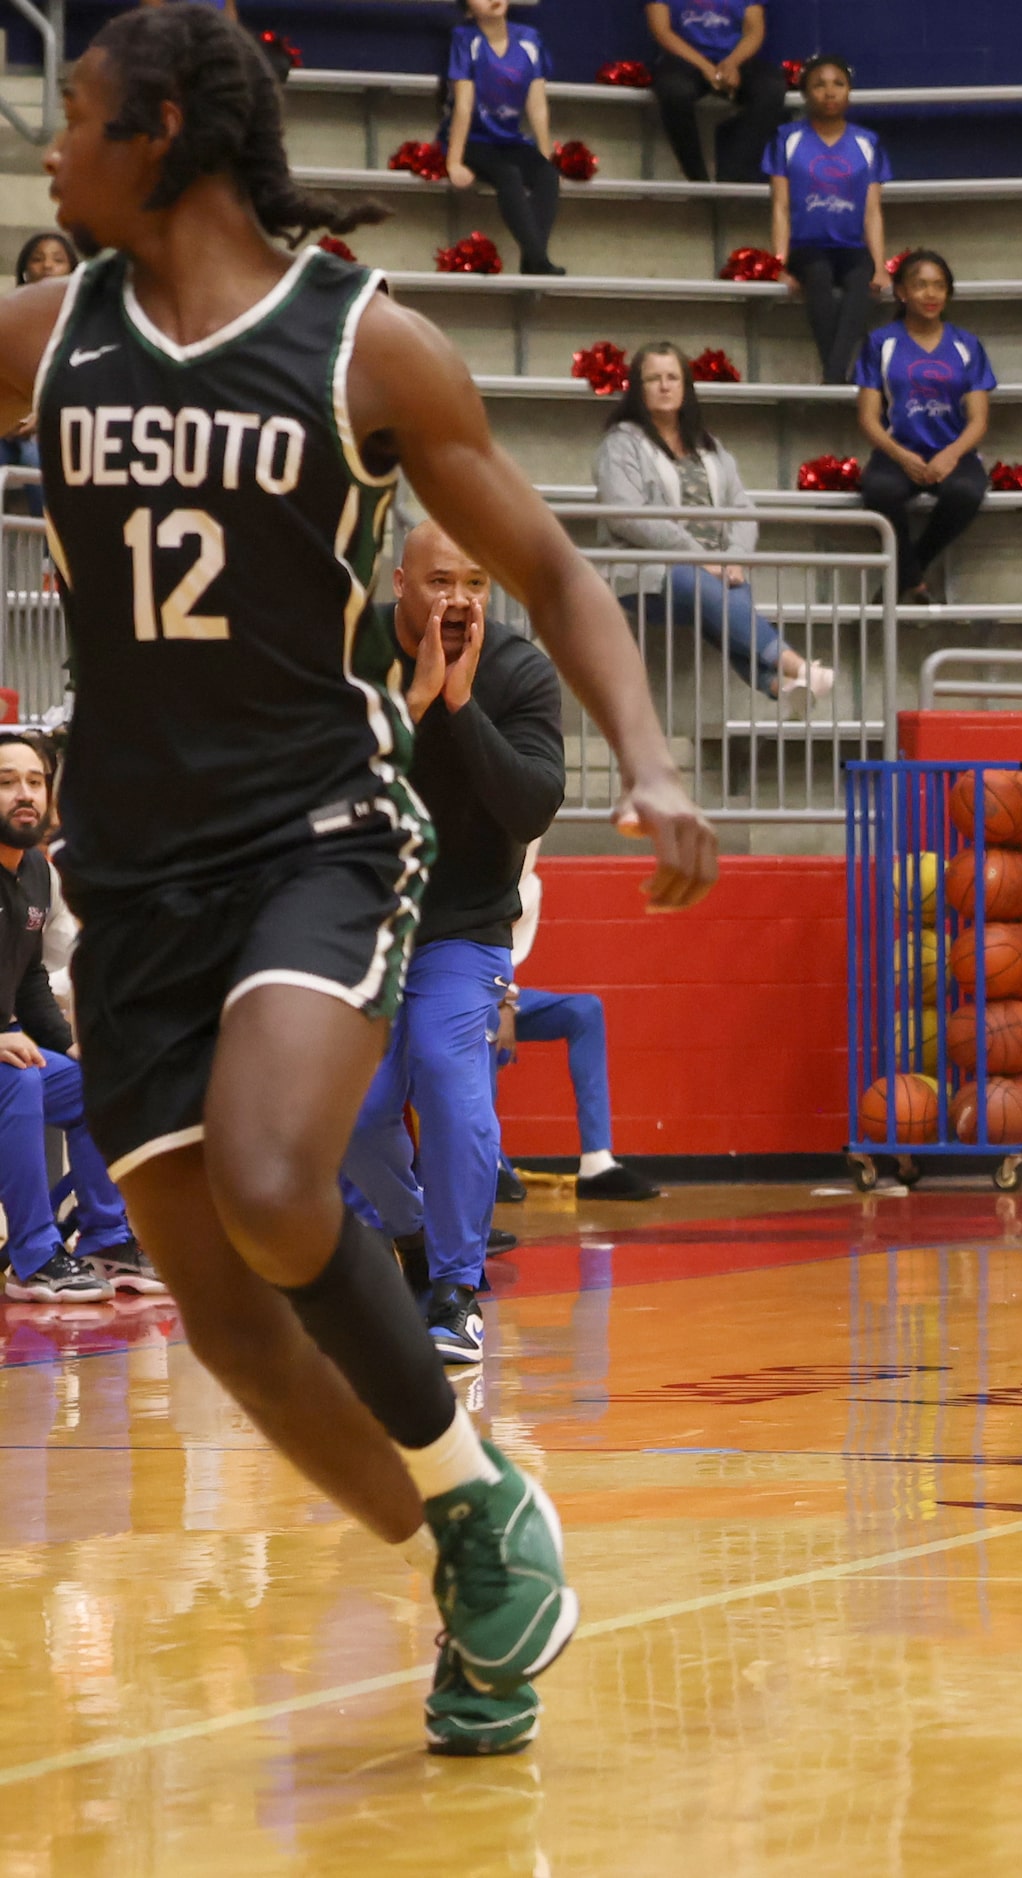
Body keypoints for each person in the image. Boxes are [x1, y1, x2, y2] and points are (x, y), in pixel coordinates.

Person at [0, 6, 715, 1755]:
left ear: (160, 129)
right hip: (131, 864)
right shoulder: (50, 332)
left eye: (73, 113)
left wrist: (654, 753)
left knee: (267, 1170)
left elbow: (552, 564)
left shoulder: (362, 349)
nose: (47, 143)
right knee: (234, 1318)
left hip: (317, 831)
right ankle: (473, 1529)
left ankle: (476, 1523)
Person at [341, 522, 562, 1365]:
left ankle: (455, 1290)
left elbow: (531, 805)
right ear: (401, 583)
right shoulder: (356, 659)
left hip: (465, 924)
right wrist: (417, 705)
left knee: (445, 1071)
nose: (460, 598)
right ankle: (416, 1243)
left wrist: (462, 709)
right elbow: (329, 788)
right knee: (357, 1117)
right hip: (364, 917)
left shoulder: (518, 671)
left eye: (475, 581)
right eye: (440, 581)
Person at [595, 341, 831, 704]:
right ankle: (798, 666)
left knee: (727, 601)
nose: (664, 385)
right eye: (653, 378)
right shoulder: (620, 444)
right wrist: (696, 555)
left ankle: (782, 687)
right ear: (637, 388)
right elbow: (627, 515)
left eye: (673, 377)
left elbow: (742, 508)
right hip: (646, 574)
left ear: (686, 387)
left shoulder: (710, 447)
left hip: (715, 570)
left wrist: (734, 555)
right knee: (703, 587)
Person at [0, 734, 147, 1305]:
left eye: (34, 781)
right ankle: (32, 1256)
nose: (24, 794)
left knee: (94, 1083)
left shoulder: (36, 870)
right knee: (20, 1078)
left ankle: (108, 1240)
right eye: (8, 782)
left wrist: (69, 1043)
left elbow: (30, 977)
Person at [497, 853, 661, 1204]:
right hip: (452, 995)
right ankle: (484, 1162)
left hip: (496, 992)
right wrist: (500, 1003)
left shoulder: (530, 885)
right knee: (482, 1026)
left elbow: (509, 956)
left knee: (585, 1011)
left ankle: (596, 1164)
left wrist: (505, 1001)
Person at [854, 250, 993, 606]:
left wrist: (951, 455)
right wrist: (902, 457)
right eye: (920, 286)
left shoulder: (967, 344)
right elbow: (868, 418)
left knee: (965, 492)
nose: (931, 295)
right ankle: (915, 582)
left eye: (939, 286)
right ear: (901, 292)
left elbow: (978, 420)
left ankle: (907, 572)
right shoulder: (880, 342)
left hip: (952, 451)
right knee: (879, 490)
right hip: (897, 450)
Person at [766, 56, 889, 387]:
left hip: (850, 245)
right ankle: (836, 374)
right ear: (806, 92)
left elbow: (873, 210)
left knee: (861, 278)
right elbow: (780, 206)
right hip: (806, 246)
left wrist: (879, 265)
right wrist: (779, 264)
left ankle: (833, 373)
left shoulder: (867, 142)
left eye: (838, 84)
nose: (829, 92)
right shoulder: (786, 138)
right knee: (818, 274)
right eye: (819, 85)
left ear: (849, 91)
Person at [443, 0, 562, 278]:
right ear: (469, 10)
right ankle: (538, 260)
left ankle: (534, 259)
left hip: (509, 139)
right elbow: (463, 105)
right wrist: (453, 161)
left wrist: (544, 150)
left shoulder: (530, 39)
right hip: (474, 139)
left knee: (547, 175)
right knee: (508, 174)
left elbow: (537, 103)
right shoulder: (465, 39)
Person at [646, 1, 783, 184]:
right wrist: (705, 66)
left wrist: (732, 63)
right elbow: (662, 31)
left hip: (735, 58)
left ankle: (732, 174)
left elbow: (754, 31)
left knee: (771, 87)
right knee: (674, 90)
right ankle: (696, 178)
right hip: (683, 60)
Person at [0, 234, 72, 514]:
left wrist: (41, 416)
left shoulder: (85, 327)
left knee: (35, 456)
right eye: (38, 259)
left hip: (51, 427)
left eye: (58, 259)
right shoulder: (9, 319)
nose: (48, 266)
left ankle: (48, 553)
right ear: (25, 269)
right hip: (8, 427)